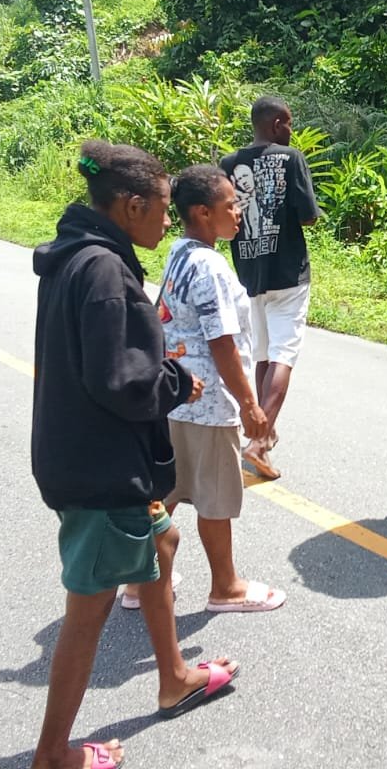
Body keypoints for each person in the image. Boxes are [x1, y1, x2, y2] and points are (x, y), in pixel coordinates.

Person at [29, 141, 239, 769]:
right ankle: (51, 755)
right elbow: (122, 381)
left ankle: (173, 676)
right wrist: (178, 381)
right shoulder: (104, 273)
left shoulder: (81, 255)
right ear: (132, 205)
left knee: (163, 539)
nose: (169, 220)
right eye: (164, 208)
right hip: (100, 468)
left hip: (98, 453)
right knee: (88, 611)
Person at [159, 164, 288, 613]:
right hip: (209, 403)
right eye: (230, 205)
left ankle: (142, 581)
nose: (238, 213)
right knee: (214, 498)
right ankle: (226, 587)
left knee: (167, 491)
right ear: (202, 212)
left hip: (175, 394)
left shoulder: (179, 252)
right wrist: (250, 404)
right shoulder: (210, 266)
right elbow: (222, 343)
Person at [220, 95, 322, 480]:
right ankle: (259, 442)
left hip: (249, 273)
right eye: (289, 123)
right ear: (277, 124)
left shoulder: (228, 164)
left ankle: (263, 429)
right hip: (288, 274)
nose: (291, 130)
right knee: (283, 355)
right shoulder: (291, 158)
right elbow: (308, 216)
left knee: (263, 354)